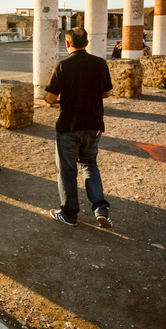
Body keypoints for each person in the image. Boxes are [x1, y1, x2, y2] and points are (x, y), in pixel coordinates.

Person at [44, 28, 113, 229]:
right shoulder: (100, 63)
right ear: (87, 42)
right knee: (90, 165)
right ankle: (101, 209)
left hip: (69, 126)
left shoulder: (63, 66)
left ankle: (69, 214)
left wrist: (62, 99)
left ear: (67, 44)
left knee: (67, 171)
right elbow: (106, 93)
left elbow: (48, 98)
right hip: (93, 124)